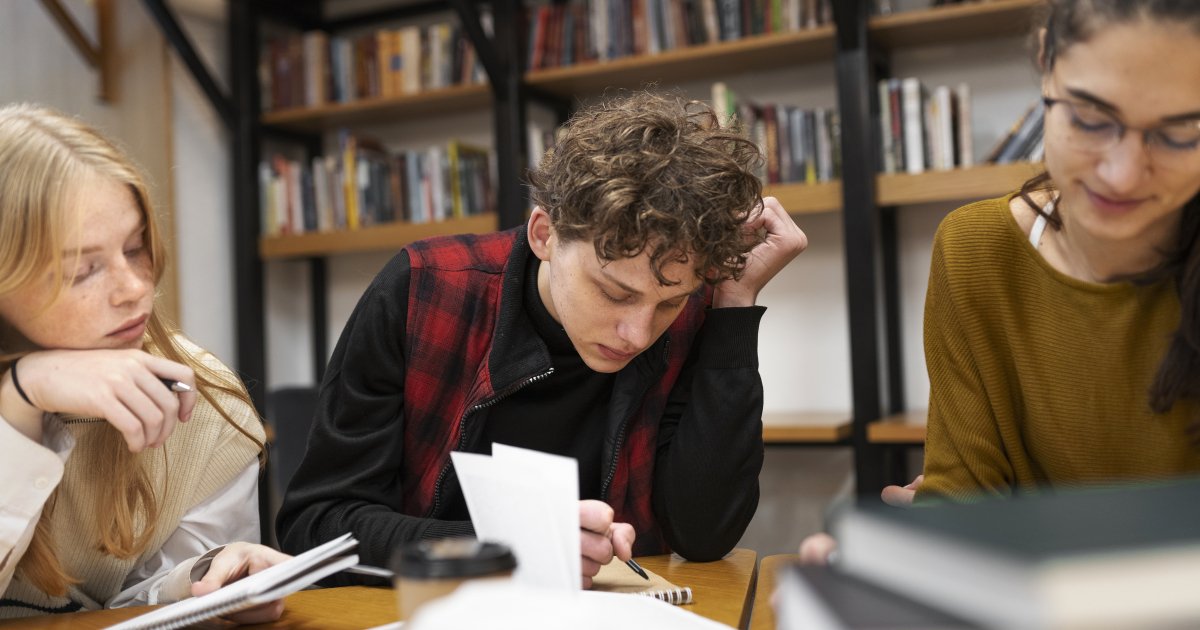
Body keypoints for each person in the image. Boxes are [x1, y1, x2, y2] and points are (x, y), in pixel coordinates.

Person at [277, 91, 808, 587]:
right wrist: (516, 548)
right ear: (544, 234)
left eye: (669, 303)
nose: (638, 334)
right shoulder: (423, 289)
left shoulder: (695, 310)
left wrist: (734, 305)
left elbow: (704, 535)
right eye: (614, 293)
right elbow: (317, 525)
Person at [801, 0, 1200, 563]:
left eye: (1180, 133)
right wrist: (902, 561)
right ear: (1045, 64)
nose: (1123, 173)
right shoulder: (975, 250)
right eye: (1090, 119)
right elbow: (965, 501)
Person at [0, 104, 289, 621]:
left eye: (136, 248)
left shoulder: (204, 400)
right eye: (83, 271)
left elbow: (139, 601)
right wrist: (21, 400)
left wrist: (207, 579)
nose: (136, 288)